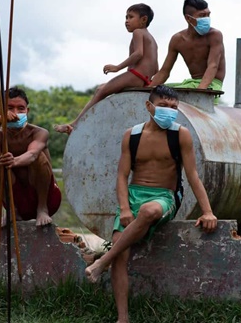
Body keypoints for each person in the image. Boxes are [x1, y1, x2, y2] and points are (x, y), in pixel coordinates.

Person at [84, 85, 218, 323]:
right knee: (120, 251)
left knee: (148, 210)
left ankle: (101, 262)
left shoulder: (181, 134)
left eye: (174, 108)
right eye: (164, 106)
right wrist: (124, 208)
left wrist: (208, 211)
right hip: (134, 195)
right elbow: (122, 176)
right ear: (149, 106)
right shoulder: (132, 135)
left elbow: (193, 175)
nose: (169, 111)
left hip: (165, 197)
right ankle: (122, 318)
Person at [54, 3, 159, 134]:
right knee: (101, 88)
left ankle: (74, 125)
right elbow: (156, 68)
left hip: (136, 75)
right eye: (125, 17)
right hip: (145, 79)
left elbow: (138, 54)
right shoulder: (152, 40)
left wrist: (117, 67)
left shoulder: (138, 32)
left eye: (131, 17)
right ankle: (78, 123)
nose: (126, 21)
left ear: (143, 19)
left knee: (100, 92)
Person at [0, 87, 62, 226]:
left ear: (27, 111)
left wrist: (14, 161)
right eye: (10, 108)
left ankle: (42, 209)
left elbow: (32, 155)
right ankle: (12, 210)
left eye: (21, 108)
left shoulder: (38, 132)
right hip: (17, 199)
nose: (15, 113)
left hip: (47, 199)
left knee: (39, 156)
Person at [151, 0, 226, 93]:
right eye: (202, 15)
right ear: (188, 18)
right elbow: (164, 71)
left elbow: (213, 65)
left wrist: (200, 92)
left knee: (170, 93)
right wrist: (148, 90)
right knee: (159, 91)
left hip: (212, 84)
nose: (206, 19)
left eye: (208, 15)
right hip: (191, 83)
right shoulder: (177, 39)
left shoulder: (215, 35)